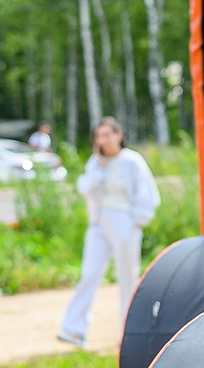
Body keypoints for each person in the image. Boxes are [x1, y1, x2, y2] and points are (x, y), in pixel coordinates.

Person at [59, 117, 160, 348]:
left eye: (107, 135)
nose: (103, 140)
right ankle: (74, 329)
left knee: (127, 276)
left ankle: (129, 332)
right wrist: (100, 170)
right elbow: (85, 188)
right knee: (90, 272)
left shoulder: (132, 161)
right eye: (99, 136)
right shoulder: (96, 162)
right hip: (98, 222)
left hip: (124, 220)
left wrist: (135, 221)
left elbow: (147, 195)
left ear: (118, 135)